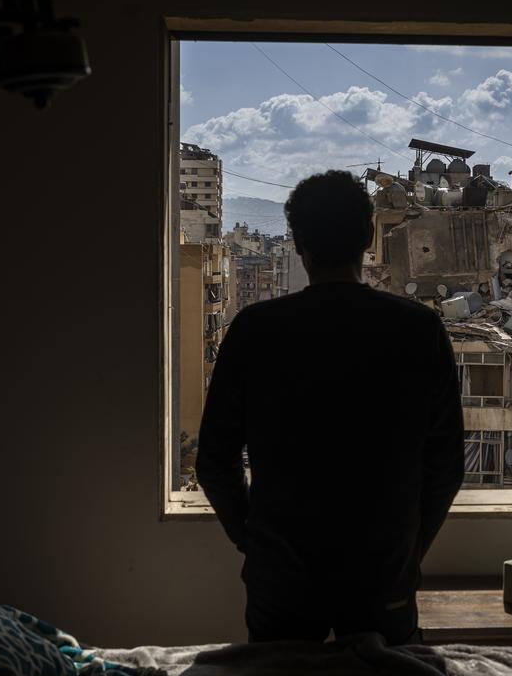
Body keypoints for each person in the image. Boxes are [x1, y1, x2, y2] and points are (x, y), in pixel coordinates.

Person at [195, 170, 464, 645]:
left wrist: (255, 544)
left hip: (283, 583)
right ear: (368, 237)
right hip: (383, 578)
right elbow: (445, 467)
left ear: (298, 243)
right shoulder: (419, 330)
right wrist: (408, 549)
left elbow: (214, 463)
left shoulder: (256, 331)